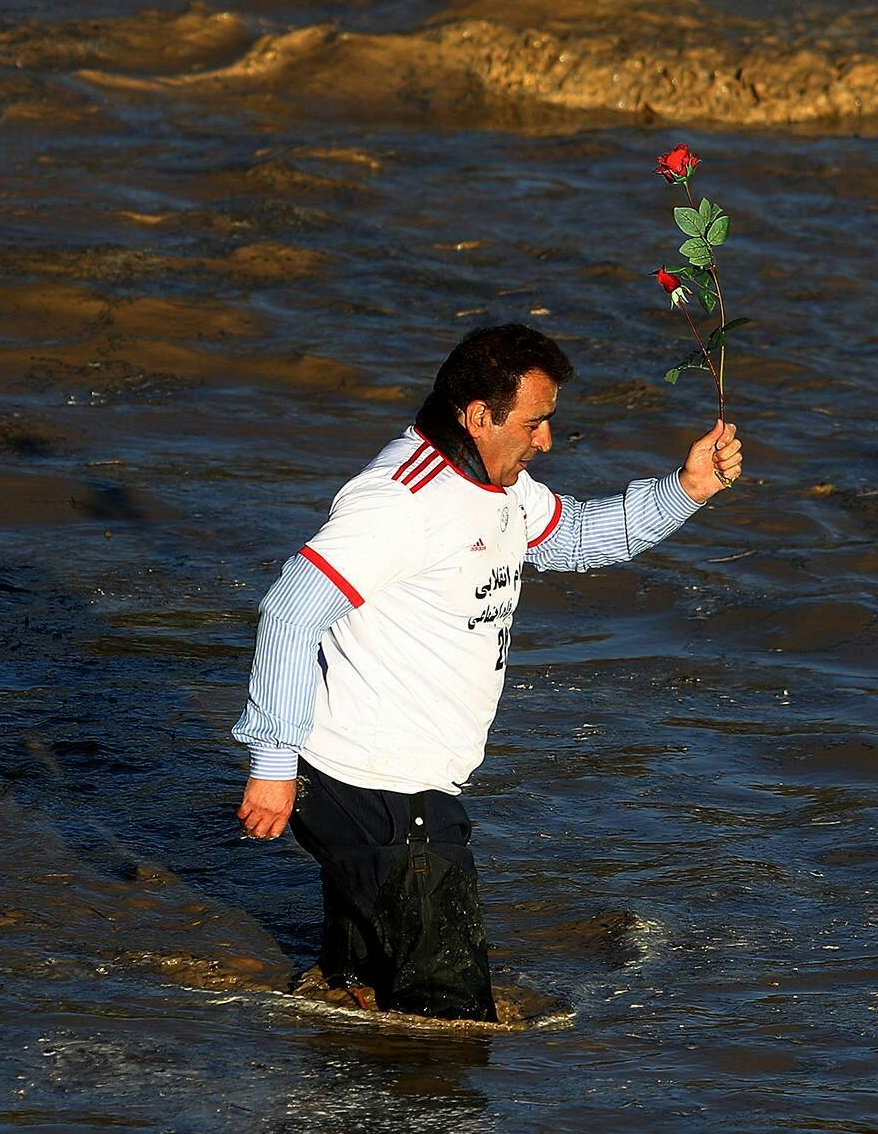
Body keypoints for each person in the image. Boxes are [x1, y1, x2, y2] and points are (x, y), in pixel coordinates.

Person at [229, 323, 744, 1019]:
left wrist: (687, 489)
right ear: (477, 416)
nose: (546, 442)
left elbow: (576, 537)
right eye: (535, 423)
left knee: (354, 1004)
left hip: (387, 788)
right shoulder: (401, 501)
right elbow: (292, 611)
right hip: (382, 791)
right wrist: (272, 763)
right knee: (449, 1031)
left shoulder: (502, 488)